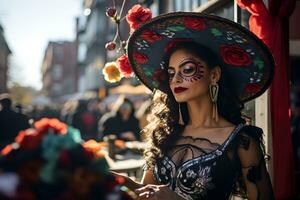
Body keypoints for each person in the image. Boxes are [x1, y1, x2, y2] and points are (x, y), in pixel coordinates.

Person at [111, 12, 275, 199]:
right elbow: (147, 190)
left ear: (214, 75)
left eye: (187, 69)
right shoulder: (167, 132)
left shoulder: (242, 141)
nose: (176, 80)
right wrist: (114, 179)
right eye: (171, 73)